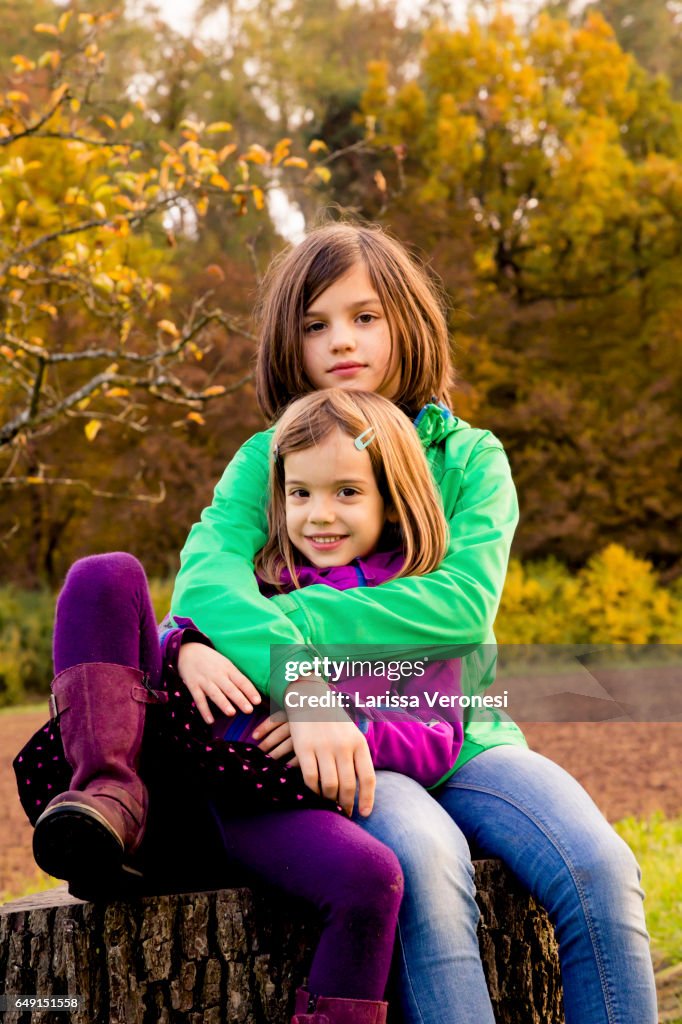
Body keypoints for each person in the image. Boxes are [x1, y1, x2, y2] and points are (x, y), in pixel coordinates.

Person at [169, 222, 658, 1024]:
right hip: (353, 742)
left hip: (467, 731)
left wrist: (281, 630)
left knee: (600, 868)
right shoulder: (270, 457)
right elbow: (205, 580)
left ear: (407, 319)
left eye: (365, 317)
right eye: (315, 323)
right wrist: (291, 679)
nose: (342, 342)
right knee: (430, 870)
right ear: (289, 343)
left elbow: (459, 606)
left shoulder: (469, 457)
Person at [214, 386, 465, 790]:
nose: (320, 515)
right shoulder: (261, 583)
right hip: (239, 787)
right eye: (300, 493)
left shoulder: (415, 599)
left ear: (391, 500)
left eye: (347, 492)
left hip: (355, 778)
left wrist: (342, 719)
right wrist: (186, 645)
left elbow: (435, 734)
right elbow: (183, 631)